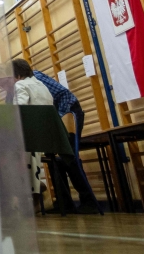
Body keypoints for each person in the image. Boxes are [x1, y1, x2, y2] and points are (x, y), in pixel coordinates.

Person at [31, 67, 101, 215]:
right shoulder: (20, 85)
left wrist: (60, 119)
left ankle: (89, 202)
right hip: (52, 120)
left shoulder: (35, 77)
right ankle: (64, 203)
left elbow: (63, 94)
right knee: (52, 159)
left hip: (68, 111)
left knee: (69, 157)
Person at [11, 59, 54, 200]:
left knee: (4, 152)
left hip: (31, 139)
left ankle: (24, 194)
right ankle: (36, 189)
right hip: (48, 136)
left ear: (16, 75)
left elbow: (18, 112)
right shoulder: (42, 85)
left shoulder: (20, 85)